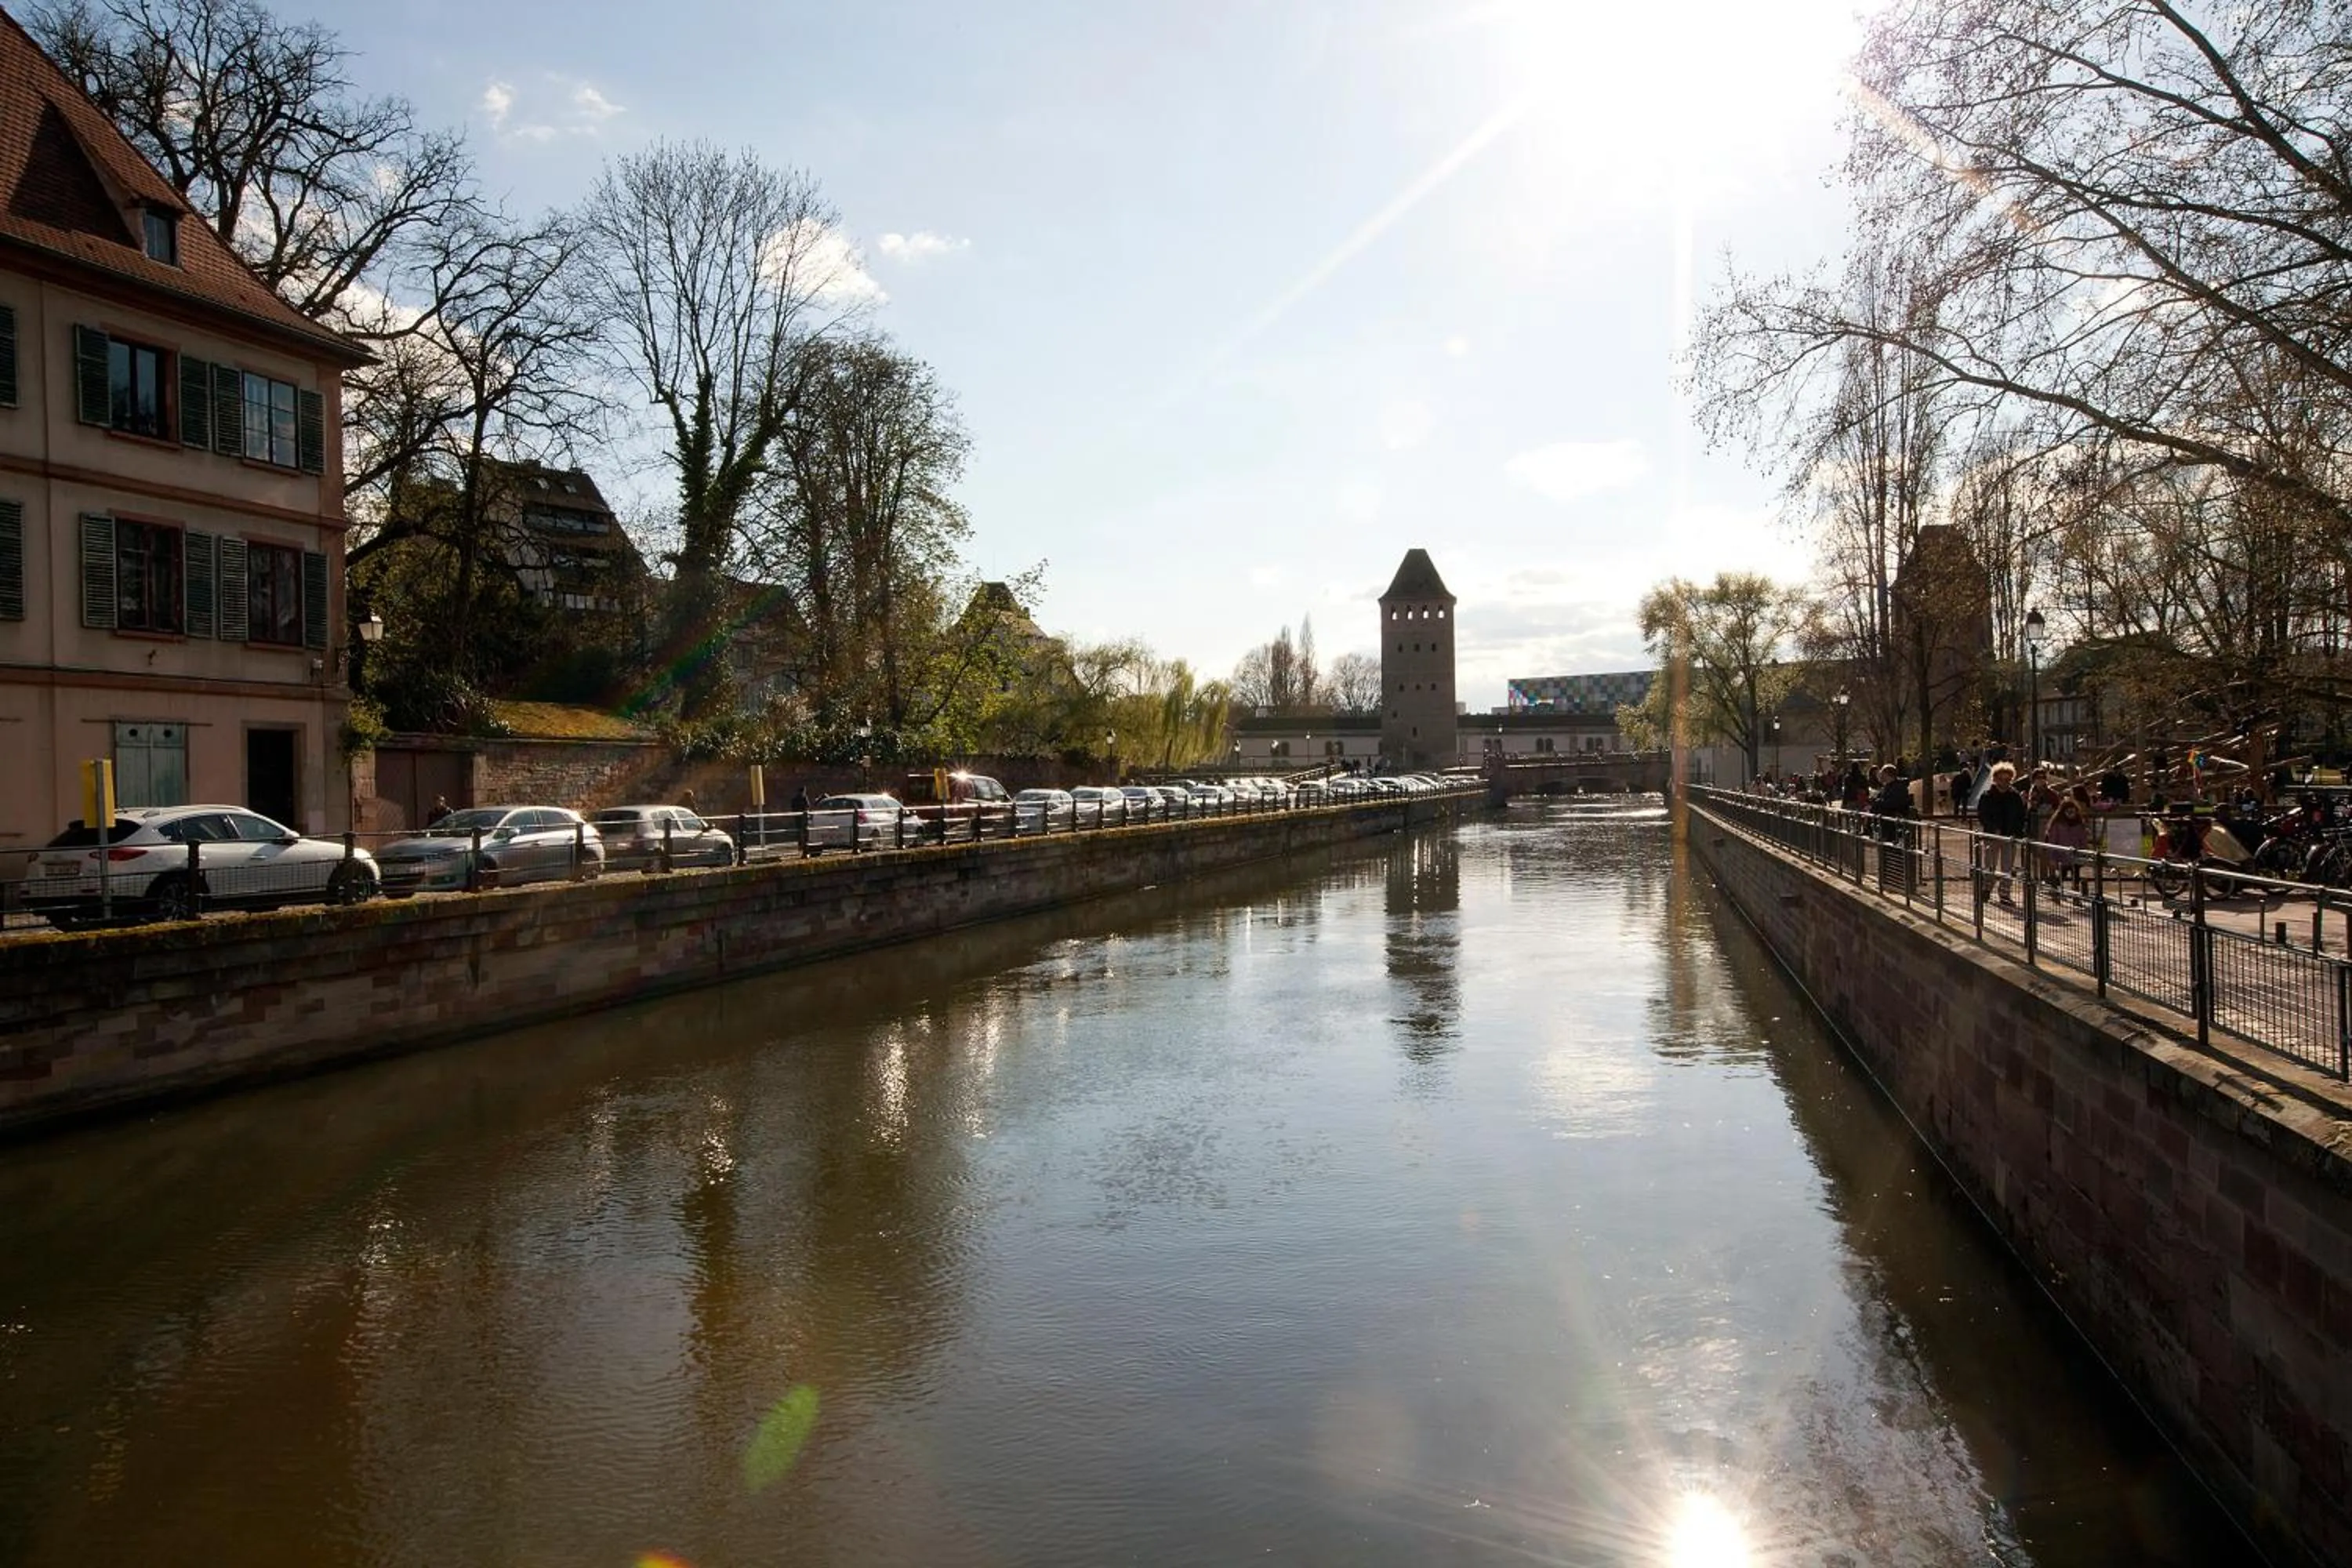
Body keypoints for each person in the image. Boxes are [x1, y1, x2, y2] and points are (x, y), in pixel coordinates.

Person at [1975, 760, 2028, 906]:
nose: (2004, 782)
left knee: (2007, 867)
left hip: (2009, 836)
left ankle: (2004, 894)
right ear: (1995, 779)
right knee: (1990, 865)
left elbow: (2020, 816)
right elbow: (1982, 815)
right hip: (1992, 835)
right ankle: (1986, 889)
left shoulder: (2014, 796)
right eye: (2001, 779)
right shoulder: (1987, 796)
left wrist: (2017, 832)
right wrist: (1993, 828)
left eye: (2008, 779)